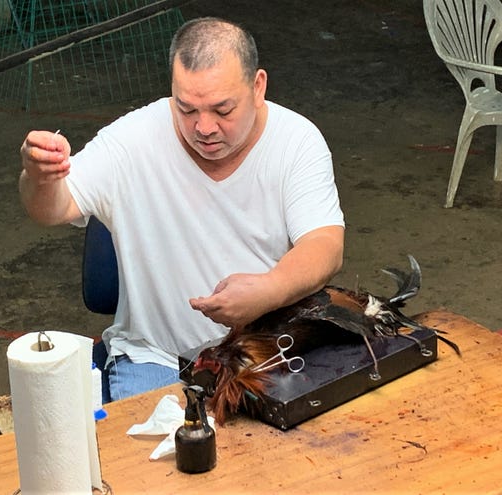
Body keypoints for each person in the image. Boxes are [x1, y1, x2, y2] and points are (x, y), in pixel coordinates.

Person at [18, 17, 345, 402]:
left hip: (261, 351)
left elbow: (325, 244)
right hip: (153, 356)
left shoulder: (296, 141)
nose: (204, 127)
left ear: (258, 87)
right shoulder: (133, 140)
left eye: (223, 110)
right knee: (152, 459)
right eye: (186, 108)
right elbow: (55, 208)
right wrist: (40, 177)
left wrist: (269, 290)